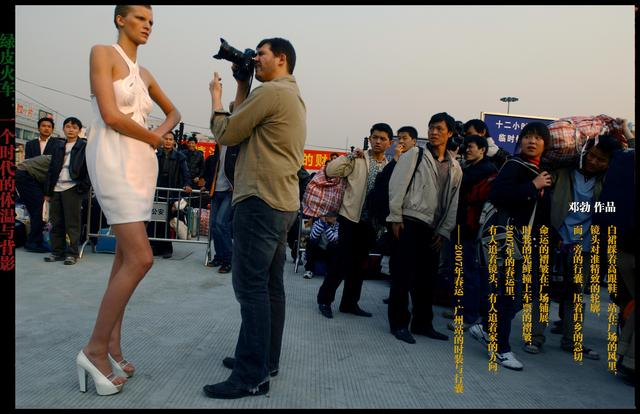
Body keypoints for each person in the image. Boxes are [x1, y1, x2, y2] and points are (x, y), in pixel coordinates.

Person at [78, 5, 180, 396]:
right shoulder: (102, 53)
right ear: (120, 19)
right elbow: (110, 114)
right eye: (140, 18)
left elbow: (174, 112)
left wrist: (161, 133)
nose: (147, 26)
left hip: (141, 165)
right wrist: (154, 137)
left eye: (151, 21)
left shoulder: (145, 74)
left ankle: (113, 346)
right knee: (141, 258)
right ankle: (94, 349)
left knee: (124, 259)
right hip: (112, 158)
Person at [205, 37, 305, 399]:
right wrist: (243, 84)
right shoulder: (289, 94)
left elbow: (228, 131)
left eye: (261, 54)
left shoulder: (272, 92)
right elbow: (247, 122)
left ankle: (251, 375)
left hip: (259, 201)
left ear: (281, 59)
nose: (255, 58)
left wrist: (217, 97)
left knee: (250, 288)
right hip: (281, 203)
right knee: (270, 287)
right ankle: (265, 360)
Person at [526, 135, 622, 358]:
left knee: (575, 294)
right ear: (585, 152)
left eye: (601, 160)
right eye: (592, 156)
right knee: (543, 290)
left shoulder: (608, 182)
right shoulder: (562, 174)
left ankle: (571, 341)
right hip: (554, 239)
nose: (594, 162)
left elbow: (610, 209)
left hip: (585, 246)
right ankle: (535, 337)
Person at [468, 122, 552, 371]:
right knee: (505, 295)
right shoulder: (515, 165)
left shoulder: (541, 171)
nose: (532, 141)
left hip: (525, 242)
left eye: (538, 138)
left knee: (522, 293)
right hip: (505, 238)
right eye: (527, 136)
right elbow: (498, 195)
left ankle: (486, 328)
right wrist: (532, 186)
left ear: (546, 144)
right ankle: (500, 348)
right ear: (520, 141)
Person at [387, 113, 462, 344]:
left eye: (439, 128)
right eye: (431, 128)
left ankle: (422, 323)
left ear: (450, 133)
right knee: (402, 275)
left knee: (427, 280)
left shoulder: (455, 167)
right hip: (410, 221)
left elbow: (453, 203)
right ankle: (399, 323)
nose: (433, 132)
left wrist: (444, 230)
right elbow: (397, 184)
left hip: (433, 229)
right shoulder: (415, 154)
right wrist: (395, 216)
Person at [316, 123, 393, 319]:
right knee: (342, 261)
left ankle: (349, 303)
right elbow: (331, 170)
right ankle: (325, 300)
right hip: (350, 217)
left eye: (382, 138)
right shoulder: (359, 158)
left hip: (371, 223)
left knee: (360, 264)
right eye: (375, 137)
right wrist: (349, 156)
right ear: (370, 138)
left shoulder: (389, 166)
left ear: (389, 143)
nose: (378, 141)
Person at [446, 135, 497, 332]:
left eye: (471, 147)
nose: (467, 150)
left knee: (468, 273)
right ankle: (460, 310)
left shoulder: (485, 169)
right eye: (465, 147)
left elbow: (461, 184)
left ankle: (469, 316)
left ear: (483, 149)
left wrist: (453, 162)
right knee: (457, 270)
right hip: (460, 225)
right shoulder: (470, 167)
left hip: (471, 229)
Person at [43, 117, 90, 265]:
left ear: (79, 130)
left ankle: (72, 253)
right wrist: (48, 191)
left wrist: (82, 187)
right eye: (68, 127)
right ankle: (57, 252)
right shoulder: (58, 146)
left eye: (74, 127)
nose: (71, 130)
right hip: (56, 188)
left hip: (72, 188)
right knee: (56, 222)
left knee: (72, 223)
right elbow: (51, 169)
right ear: (63, 129)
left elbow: (89, 169)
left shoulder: (84, 146)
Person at [148, 131, 192, 259]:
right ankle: (155, 247)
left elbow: (186, 174)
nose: (168, 141)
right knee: (155, 221)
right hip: (156, 193)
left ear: (174, 142)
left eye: (170, 139)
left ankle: (167, 249)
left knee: (167, 220)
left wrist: (187, 185)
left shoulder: (180, 157)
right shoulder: (155, 155)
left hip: (172, 194)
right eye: (165, 138)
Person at [202, 140, 239, 273]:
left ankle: (229, 260)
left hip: (229, 191)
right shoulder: (218, 146)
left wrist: (236, 185)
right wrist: (207, 185)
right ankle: (219, 257)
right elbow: (214, 169)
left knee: (221, 223)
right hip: (215, 190)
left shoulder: (236, 145)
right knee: (213, 225)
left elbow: (241, 168)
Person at [15, 154, 52, 252]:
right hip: (25, 175)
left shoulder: (56, 158)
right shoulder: (59, 161)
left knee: (36, 209)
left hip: (23, 173)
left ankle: (34, 240)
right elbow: (50, 178)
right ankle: (33, 242)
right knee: (39, 209)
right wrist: (47, 194)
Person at [303, 212, 339, 279]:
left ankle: (330, 271)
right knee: (311, 242)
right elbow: (313, 236)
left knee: (333, 245)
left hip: (329, 252)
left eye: (335, 216)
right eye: (330, 215)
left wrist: (325, 225)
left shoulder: (337, 225)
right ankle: (309, 270)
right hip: (318, 250)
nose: (333, 218)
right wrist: (322, 223)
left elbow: (333, 239)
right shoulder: (318, 222)